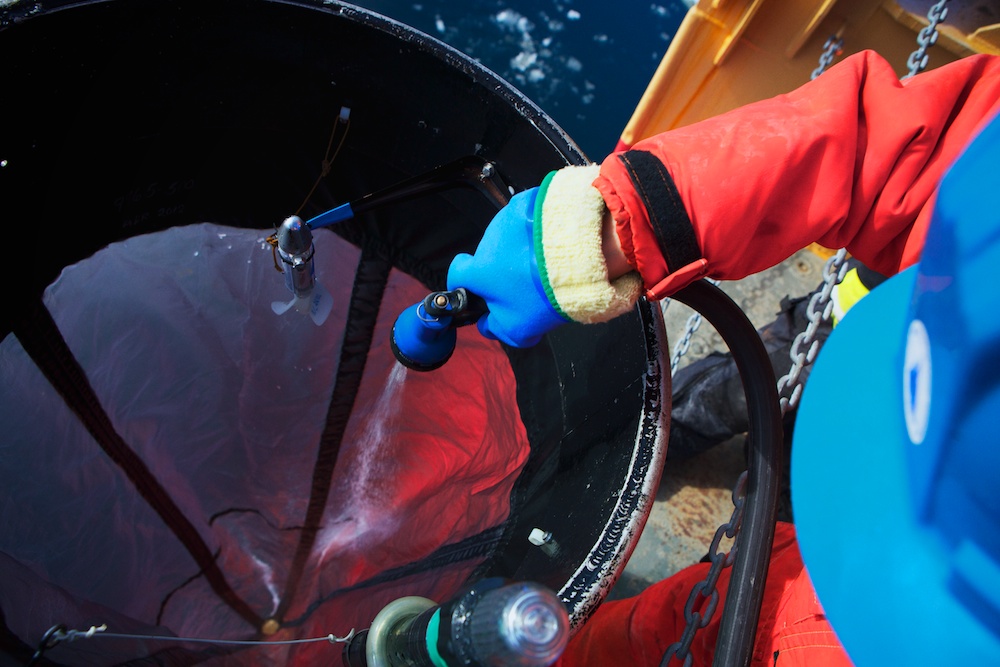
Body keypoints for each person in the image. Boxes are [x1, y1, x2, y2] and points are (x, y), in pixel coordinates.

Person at [430, 49, 1000, 665]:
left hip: (854, 633)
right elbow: (911, 148)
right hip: (890, 343)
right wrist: (611, 228)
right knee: (678, 617)